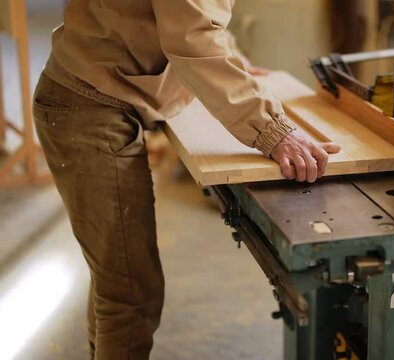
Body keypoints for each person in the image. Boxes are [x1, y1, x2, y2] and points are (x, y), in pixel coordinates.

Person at [32, 1, 339, 358]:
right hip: (88, 102)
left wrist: (234, 64)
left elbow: (193, 16)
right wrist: (274, 130)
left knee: (117, 283)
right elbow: (192, 38)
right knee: (129, 295)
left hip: (99, 90)